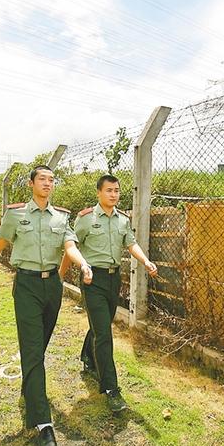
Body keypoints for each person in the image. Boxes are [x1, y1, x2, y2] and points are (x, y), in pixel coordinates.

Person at [0, 165, 92, 446]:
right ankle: (43, 423)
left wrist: (83, 264)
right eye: (42, 179)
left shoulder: (61, 216)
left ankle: (29, 388)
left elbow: (70, 246)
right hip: (27, 285)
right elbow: (1, 240)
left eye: (51, 180)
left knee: (38, 346)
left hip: (52, 286)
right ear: (31, 184)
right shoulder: (16, 214)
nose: (47, 183)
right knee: (32, 349)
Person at [59, 174, 158, 412]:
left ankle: (87, 358)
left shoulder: (122, 219)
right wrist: (60, 275)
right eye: (109, 190)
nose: (113, 195)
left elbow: (131, 243)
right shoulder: (85, 219)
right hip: (92, 279)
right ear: (99, 193)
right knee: (104, 334)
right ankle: (112, 390)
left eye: (116, 191)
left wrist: (145, 261)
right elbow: (70, 246)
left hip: (114, 280)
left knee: (100, 325)